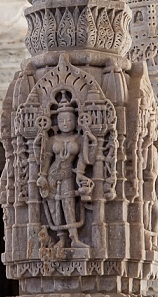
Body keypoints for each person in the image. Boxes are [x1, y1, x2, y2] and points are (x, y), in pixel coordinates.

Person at [36, 95, 95, 248]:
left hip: (68, 174)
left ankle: (74, 238)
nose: (65, 124)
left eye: (69, 120)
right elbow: (46, 159)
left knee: (68, 205)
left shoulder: (79, 138)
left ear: (75, 121)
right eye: (61, 121)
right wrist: (42, 176)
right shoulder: (52, 140)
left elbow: (84, 159)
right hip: (52, 175)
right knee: (55, 207)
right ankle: (61, 239)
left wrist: (80, 173)